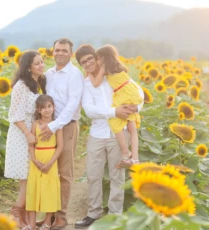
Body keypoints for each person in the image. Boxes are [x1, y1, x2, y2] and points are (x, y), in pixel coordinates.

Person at [74, 44, 144, 228]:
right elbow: (89, 110)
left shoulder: (112, 73)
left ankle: (115, 216)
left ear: (97, 57)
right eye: (84, 62)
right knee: (93, 175)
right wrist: (115, 112)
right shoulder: (86, 83)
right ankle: (93, 214)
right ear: (81, 65)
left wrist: (136, 108)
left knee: (117, 176)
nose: (88, 63)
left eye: (90, 58)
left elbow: (138, 92)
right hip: (97, 134)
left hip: (117, 133)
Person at [37, 38, 84, 230]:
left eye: (64, 50)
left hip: (66, 127)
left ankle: (61, 217)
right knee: (48, 172)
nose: (60, 53)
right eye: (57, 50)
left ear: (70, 54)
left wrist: (54, 125)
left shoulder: (75, 75)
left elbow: (73, 104)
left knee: (64, 173)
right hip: (48, 128)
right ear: (52, 52)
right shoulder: (48, 74)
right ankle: (48, 215)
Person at [4, 50, 46, 228]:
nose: (41, 65)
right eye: (37, 63)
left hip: (33, 133)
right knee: (26, 177)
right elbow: (15, 115)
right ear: (28, 68)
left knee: (32, 177)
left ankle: (24, 216)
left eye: (42, 62)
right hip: (21, 134)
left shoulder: (39, 83)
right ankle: (16, 213)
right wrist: (28, 134)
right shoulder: (21, 86)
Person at [89, 45, 143, 168]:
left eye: (97, 58)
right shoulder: (120, 66)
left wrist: (89, 74)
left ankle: (125, 152)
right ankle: (135, 159)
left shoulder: (104, 68)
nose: (97, 61)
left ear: (103, 58)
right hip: (132, 92)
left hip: (123, 95)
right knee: (132, 128)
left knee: (114, 122)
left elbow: (96, 84)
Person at [25, 95, 63, 230]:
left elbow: (60, 146)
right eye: (43, 108)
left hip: (50, 160)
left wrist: (51, 163)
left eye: (49, 106)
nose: (47, 110)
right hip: (37, 159)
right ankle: (32, 224)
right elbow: (31, 144)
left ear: (53, 108)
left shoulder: (57, 125)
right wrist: (34, 160)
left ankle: (47, 222)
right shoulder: (35, 124)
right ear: (38, 110)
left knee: (50, 190)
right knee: (33, 189)